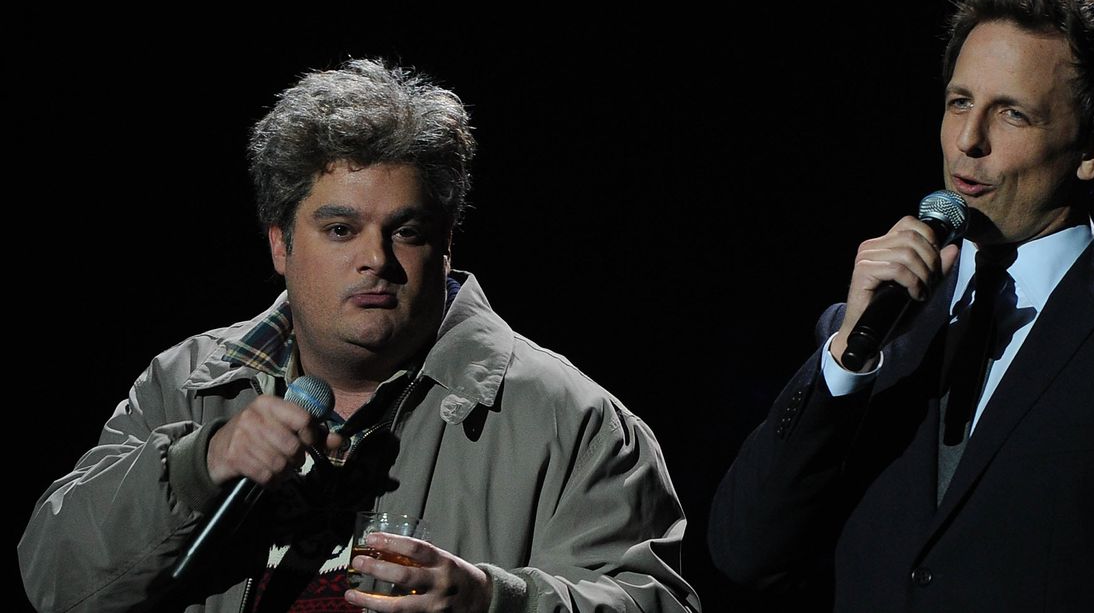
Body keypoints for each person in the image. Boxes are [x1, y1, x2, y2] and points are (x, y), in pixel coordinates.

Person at [19, 59, 702, 613]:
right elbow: (54, 583)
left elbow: (656, 603)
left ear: (444, 245)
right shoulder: (187, 385)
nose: (375, 258)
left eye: (406, 231)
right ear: (280, 244)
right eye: (341, 229)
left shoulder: (571, 419)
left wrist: (495, 600)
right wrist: (201, 463)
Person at [708, 0, 1094, 611]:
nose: (968, 141)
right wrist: (846, 355)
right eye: (959, 101)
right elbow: (745, 552)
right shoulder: (875, 327)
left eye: (1010, 113)